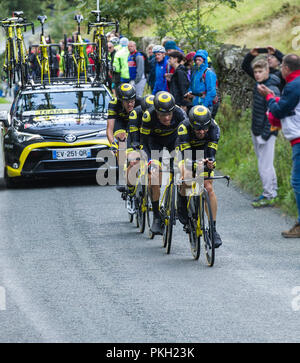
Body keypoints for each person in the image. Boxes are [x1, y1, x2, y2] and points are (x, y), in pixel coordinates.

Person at [257, 54, 300, 237]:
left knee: (297, 182)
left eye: (282, 66)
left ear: (286, 68)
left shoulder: (293, 85)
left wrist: (268, 97)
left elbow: (279, 110)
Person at [140, 91, 188, 235]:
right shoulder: (148, 116)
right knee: (154, 177)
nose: (167, 118)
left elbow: (187, 140)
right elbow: (144, 143)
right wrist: (149, 162)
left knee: (185, 173)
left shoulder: (180, 114)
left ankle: (182, 204)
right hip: (155, 145)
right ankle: (156, 217)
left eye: (169, 114)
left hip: (175, 142)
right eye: (162, 115)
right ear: (156, 111)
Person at [176, 105, 222, 248]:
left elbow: (212, 153)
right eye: (198, 129)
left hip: (203, 154)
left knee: (208, 188)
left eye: (204, 129)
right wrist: (195, 165)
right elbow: (187, 156)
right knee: (187, 178)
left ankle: (213, 230)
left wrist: (210, 162)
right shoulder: (183, 127)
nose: (202, 132)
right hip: (185, 153)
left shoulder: (214, 127)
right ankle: (182, 204)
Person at [242, 50, 281, 208]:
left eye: (260, 71)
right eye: (256, 72)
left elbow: (274, 115)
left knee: (265, 164)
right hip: (256, 129)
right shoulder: (259, 83)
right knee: (265, 163)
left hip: (266, 132)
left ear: (267, 71)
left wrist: (265, 135)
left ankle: (269, 195)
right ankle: (272, 191)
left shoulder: (272, 88)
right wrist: (251, 54)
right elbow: (245, 66)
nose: (257, 74)